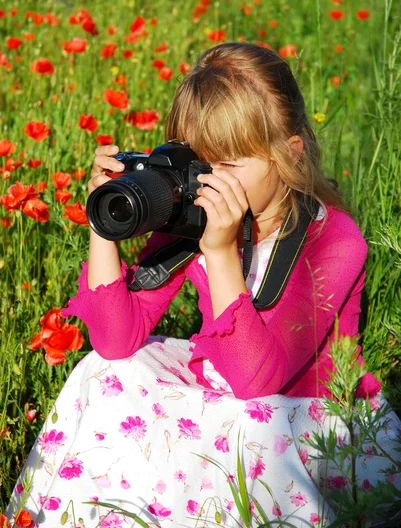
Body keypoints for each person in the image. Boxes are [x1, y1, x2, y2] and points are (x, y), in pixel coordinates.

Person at [6, 42, 401, 528]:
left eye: (231, 164)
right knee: (106, 373)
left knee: (250, 424)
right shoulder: (197, 216)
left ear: (289, 155)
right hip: (227, 395)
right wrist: (102, 221)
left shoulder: (333, 240)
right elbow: (114, 341)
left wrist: (219, 251)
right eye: (202, 162)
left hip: (306, 422)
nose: (213, 182)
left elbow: (260, 384)